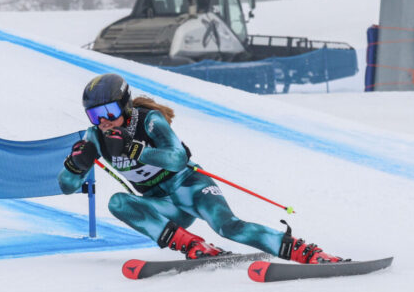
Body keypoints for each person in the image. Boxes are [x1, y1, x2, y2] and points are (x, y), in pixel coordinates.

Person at [58, 73, 342, 263]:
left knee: (228, 226)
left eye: (109, 112)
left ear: (125, 106)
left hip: (191, 188)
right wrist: (75, 165)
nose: (103, 121)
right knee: (118, 202)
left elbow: (177, 158)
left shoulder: (148, 121)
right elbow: (67, 187)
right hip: (162, 205)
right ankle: (193, 245)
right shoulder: (94, 136)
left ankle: (305, 252)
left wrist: (134, 149)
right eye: (95, 115)